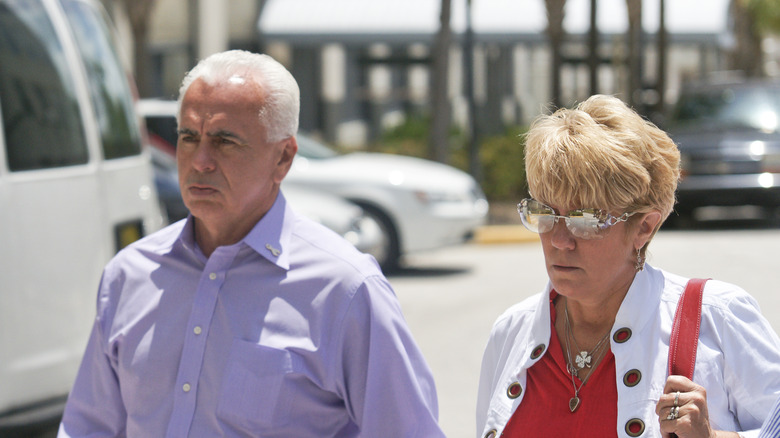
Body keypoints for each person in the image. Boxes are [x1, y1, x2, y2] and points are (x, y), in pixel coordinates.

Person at [58, 50, 444, 437]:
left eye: (225, 141)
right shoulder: (130, 275)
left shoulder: (345, 290)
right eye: (189, 137)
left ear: (283, 158)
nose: (200, 161)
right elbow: (88, 426)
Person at [476, 94, 780, 438]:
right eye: (545, 214)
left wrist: (714, 437)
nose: (560, 240)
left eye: (586, 220)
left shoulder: (716, 318)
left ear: (644, 227)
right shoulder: (511, 332)